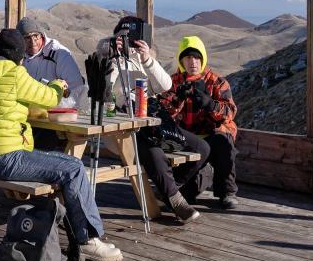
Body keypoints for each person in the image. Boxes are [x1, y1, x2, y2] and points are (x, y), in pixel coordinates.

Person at [0, 29, 123, 261]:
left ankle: (85, 235)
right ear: (18, 55)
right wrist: (57, 86)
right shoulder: (13, 73)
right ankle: (88, 239)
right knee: (73, 168)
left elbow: (7, 104)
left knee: (68, 165)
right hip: (9, 157)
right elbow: (47, 98)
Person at [156, 35, 239, 212]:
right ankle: (192, 182)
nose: (192, 61)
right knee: (188, 193)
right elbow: (162, 112)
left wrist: (209, 104)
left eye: (196, 57)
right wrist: (178, 99)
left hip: (212, 134)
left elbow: (230, 112)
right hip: (187, 139)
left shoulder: (216, 82)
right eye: (187, 57)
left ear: (202, 58)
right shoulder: (173, 82)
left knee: (225, 143)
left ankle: (227, 192)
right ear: (181, 60)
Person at [93, 15, 172, 111]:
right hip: (121, 116)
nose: (127, 41)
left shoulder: (144, 58)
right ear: (115, 38)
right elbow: (102, 93)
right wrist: (116, 58)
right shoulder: (106, 58)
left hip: (147, 113)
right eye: (123, 37)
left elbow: (165, 86)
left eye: (131, 37)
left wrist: (147, 61)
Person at [17, 17, 88, 108]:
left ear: (41, 35)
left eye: (35, 36)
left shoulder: (59, 53)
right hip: (28, 112)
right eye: (27, 38)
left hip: (56, 112)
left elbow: (77, 88)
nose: (32, 42)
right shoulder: (18, 55)